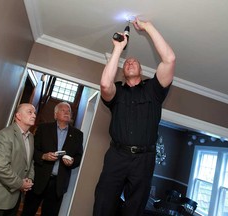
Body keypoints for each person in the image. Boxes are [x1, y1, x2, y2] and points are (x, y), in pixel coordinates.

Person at [93, 17, 176, 216]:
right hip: (117, 156)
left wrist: (148, 27)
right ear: (122, 71)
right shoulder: (117, 92)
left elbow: (169, 59)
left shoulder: (154, 90)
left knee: (135, 208)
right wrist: (118, 49)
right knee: (103, 202)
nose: (130, 62)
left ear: (141, 70)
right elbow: (105, 84)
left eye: (134, 61)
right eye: (127, 62)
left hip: (144, 159)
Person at [21, 101, 83, 216]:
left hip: (58, 185)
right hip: (38, 180)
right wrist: (43, 156)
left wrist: (72, 162)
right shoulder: (43, 128)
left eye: (68, 111)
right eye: (63, 110)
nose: (66, 112)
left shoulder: (78, 134)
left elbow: (79, 157)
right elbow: (32, 150)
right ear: (55, 115)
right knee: (28, 212)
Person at [0, 103, 36, 216]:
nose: (34, 115)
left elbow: (30, 162)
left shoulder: (31, 137)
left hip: (15, 198)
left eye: (34, 113)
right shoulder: (5, 135)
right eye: (30, 112)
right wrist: (20, 184)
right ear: (18, 116)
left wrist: (29, 179)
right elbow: (1, 168)